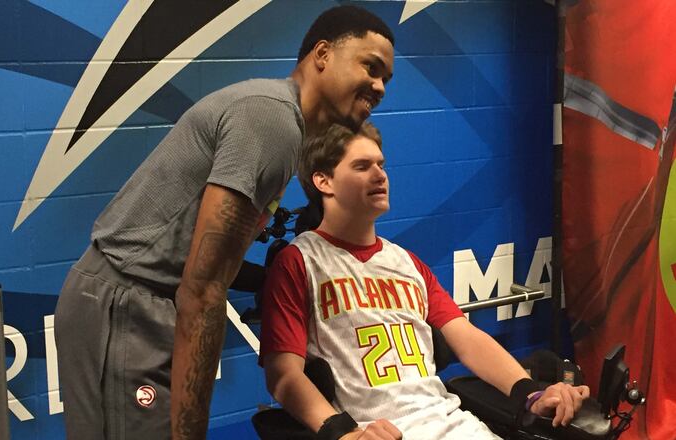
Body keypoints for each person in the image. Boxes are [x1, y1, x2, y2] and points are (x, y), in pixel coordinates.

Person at [53, 5, 395, 440]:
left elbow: (206, 257)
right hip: (128, 303)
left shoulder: (282, 122)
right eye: (371, 67)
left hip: (137, 298)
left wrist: (270, 278)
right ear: (322, 54)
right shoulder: (273, 121)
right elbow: (202, 289)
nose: (379, 86)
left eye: (387, 78)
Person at [259, 123, 591, 440]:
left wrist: (531, 394)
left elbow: (466, 337)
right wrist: (341, 432)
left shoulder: (406, 263)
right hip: (375, 429)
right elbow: (283, 374)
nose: (380, 175)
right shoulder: (300, 261)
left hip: (452, 422)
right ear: (323, 181)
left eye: (381, 164)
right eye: (362, 166)